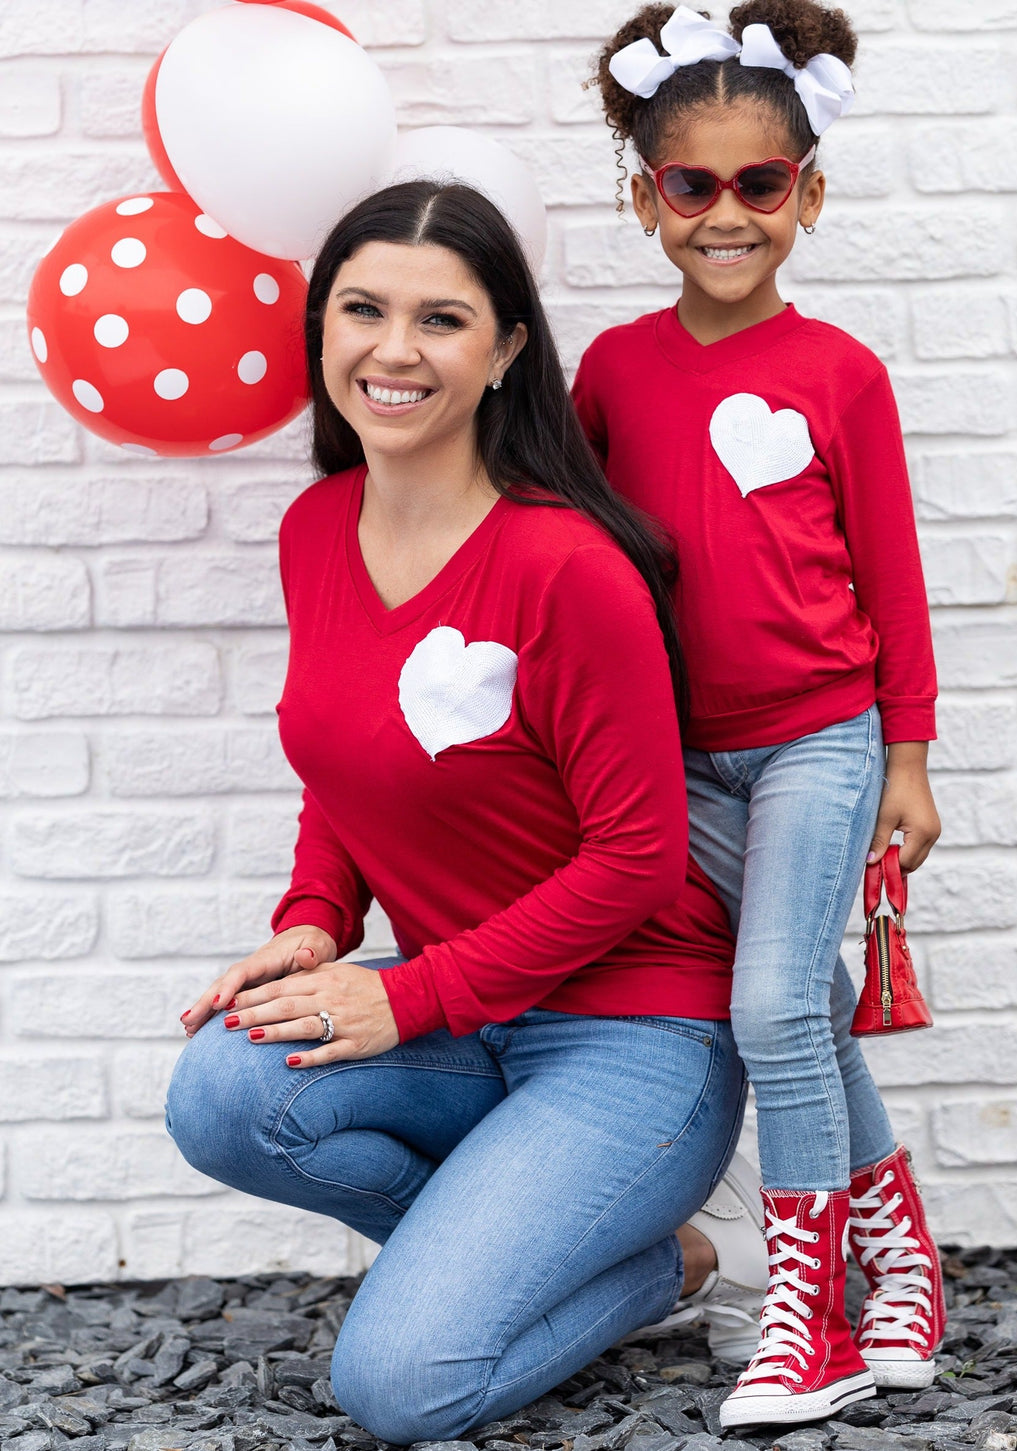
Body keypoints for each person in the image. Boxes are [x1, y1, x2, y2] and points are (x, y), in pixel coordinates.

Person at [166, 180, 768, 1447]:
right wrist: (318, 921)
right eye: (362, 309)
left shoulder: (566, 567)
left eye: (441, 319)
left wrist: (408, 994)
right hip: (466, 1012)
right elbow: (348, 755)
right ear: (321, 329)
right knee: (221, 1090)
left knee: (401, 1385)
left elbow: (643, 854)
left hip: (633, 1035)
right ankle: (531, 1237)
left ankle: (665, 1261)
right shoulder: (315, 527)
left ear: (503, 351)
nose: (394, 349)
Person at [574, 0, 946, 1427]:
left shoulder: (841, 374)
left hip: (817, 735)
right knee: (798, 1012)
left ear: (808, 192)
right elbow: (585, 562)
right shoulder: (611, 373)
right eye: (691, 184)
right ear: (646, 197)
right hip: (675, 760)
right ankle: (902, 1248)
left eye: (758, 183)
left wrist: (906, 754)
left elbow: (894, 578)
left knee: (775, 1001)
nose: (725, 214)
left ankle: (819, 1317)